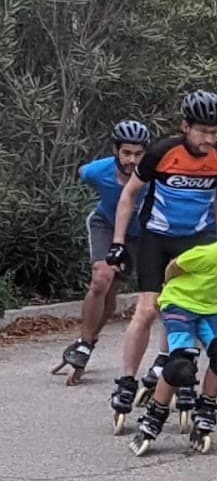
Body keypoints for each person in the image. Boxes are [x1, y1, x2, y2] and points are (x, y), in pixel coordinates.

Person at [106, 91, 217, 432]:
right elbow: (129, 194)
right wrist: (118, 242)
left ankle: (174, 367)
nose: (209, 139)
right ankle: (127, 380)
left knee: (187, 307)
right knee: (147, 309)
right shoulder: (162, 152)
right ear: (185, 126)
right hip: (157, 238)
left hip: (196, 241)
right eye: (202, 131)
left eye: (214, 132)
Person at [129, 199, 217, 455]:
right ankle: (154, 416)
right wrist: (170, 294)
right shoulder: (212, 253)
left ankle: (206, 408)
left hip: (212, 310)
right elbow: (174, 267)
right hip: (180, 303)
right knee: (180, 363)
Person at [51, 121, 151, 385]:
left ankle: (88, 341)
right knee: (101, 278)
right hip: (105, 224)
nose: (132, 160)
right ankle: (84, 344)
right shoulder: (97, 171)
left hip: (140, 235)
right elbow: (81, 172)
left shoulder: (154, 174)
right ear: (116, 150)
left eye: (138, 154)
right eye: (126, 153)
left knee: (113, 289)